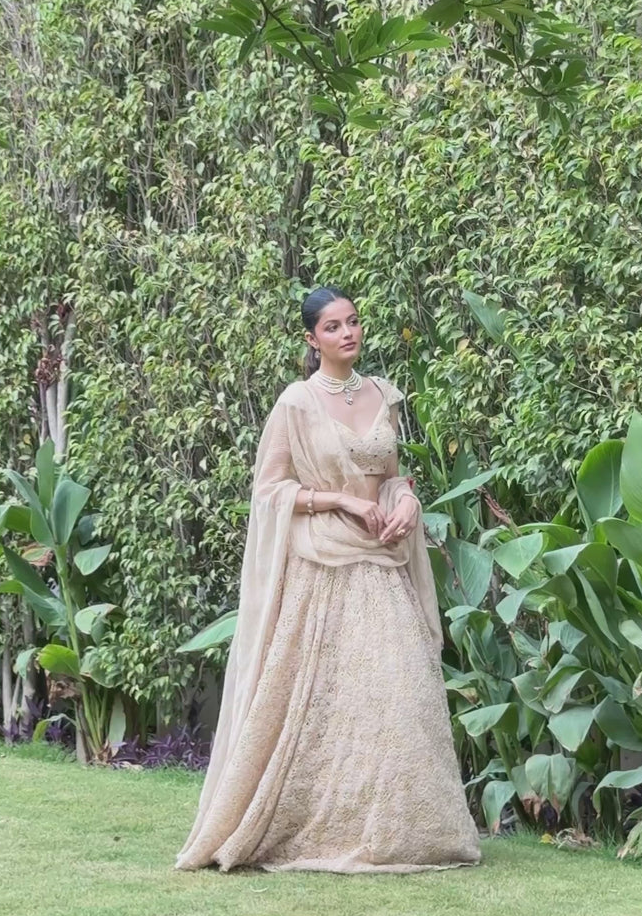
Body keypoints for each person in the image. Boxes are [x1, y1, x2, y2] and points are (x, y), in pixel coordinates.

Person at [175, 286, 482, 874]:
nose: (348, 333)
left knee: (399, 693)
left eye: (354, 322)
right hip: (322, 567)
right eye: (334, 326)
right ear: (312, 339)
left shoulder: (382, 396)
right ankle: (315, 827)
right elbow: (268, 489)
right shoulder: (295, 403)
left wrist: (406, 501)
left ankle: (409, 833)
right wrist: (340, 500)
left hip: (382, 559)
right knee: (324, 704)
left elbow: (391, 475)